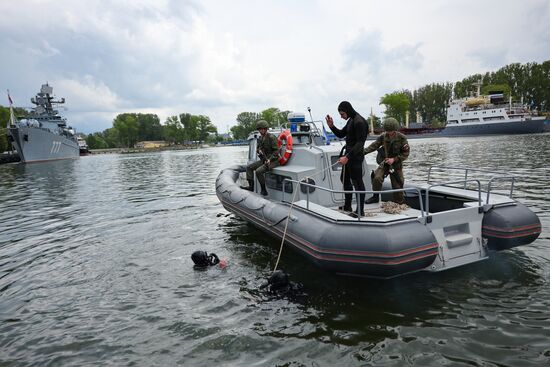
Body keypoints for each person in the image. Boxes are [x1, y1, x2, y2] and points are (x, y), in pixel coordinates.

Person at [325, 101, 368, 217]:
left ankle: (360, 211)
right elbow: (340, 134)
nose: (341, 116)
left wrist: (347, 157)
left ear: (348, 111)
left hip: (355, 157)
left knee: (358, 183)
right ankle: (348, 205)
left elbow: (360, 143)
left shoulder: (359, 121)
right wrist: (331, 126)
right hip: (348, 156)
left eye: (342, 114)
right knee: (344, 179)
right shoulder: (351, 120)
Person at [363, 117, 410, 204]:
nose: (389, 133)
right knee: (377, 178)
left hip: (396, 165)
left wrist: (394, 159)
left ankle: (399, 203)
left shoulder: (402, 138)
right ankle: (375, 197)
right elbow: (373, 146)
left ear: (395, 130)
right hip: (385, 163)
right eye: (387, 131)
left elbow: (405, 153)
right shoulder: (383, 137)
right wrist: (362, 152)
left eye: (391, 131)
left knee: (398, 184)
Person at [242, 120, 280, 196]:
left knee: (258, 171)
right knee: (249, 167)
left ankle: (263, 190)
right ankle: (251, 186)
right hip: (264, 159)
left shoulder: (271, 137)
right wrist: (259, 151)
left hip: (273, 161)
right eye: (260, 129)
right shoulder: (260, 138)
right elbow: (258, 148)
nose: (262, 130)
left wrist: (270, 159)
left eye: (263, 129)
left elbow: (276, 151)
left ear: (266, 129)